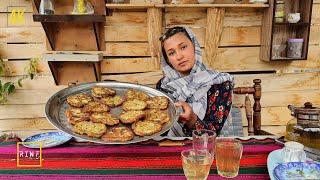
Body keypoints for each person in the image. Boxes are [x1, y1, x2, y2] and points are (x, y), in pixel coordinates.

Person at [156, 26, 234, 137]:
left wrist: (192, 119)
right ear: (167, 60)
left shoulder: (219, 83)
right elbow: (159, 129)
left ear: (194, 46)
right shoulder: (163, 85)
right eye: (171, 53)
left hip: (205, 150)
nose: (179, 56)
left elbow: (214, 134)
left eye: (183, 47)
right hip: (169, 149)